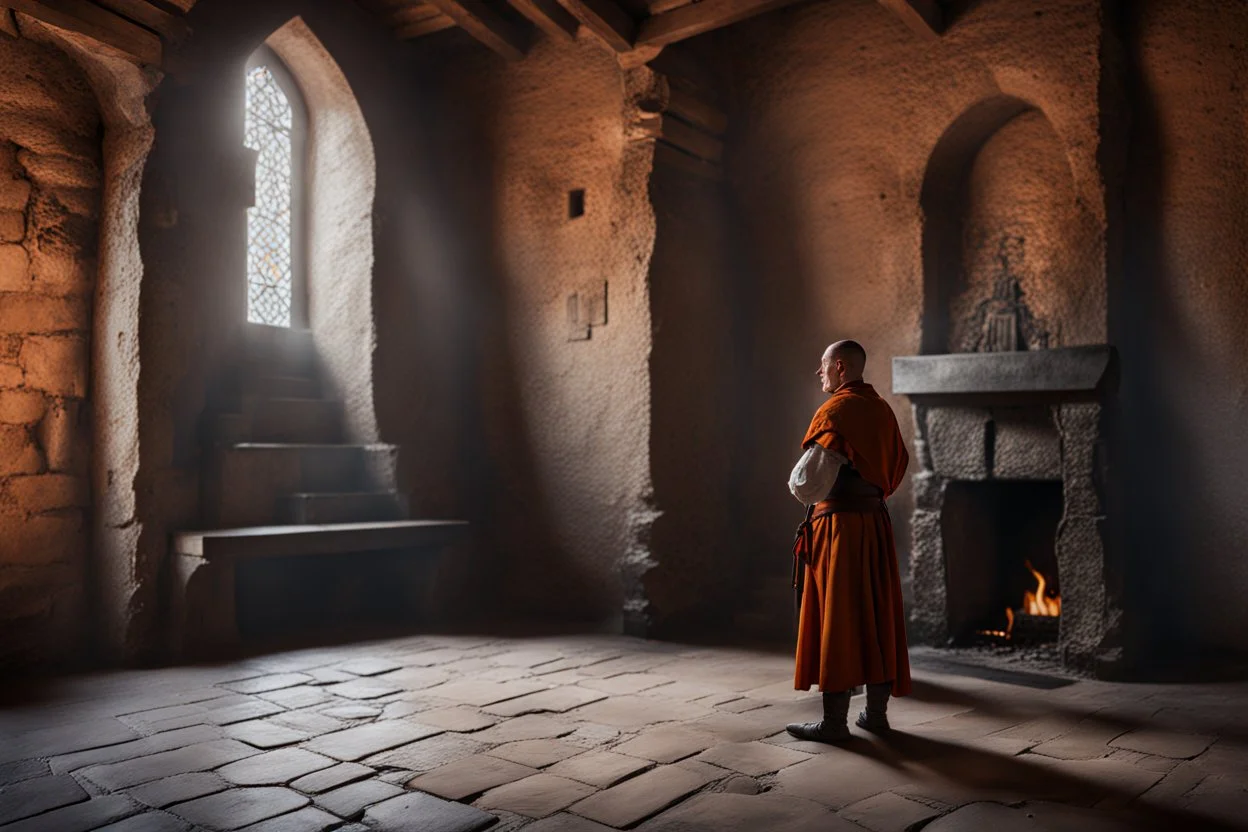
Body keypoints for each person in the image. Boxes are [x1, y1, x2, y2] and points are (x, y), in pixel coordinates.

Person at [785, 340, 911, 742]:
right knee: (876, 614)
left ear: (840, 367)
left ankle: (835, 723)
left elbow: (806, 484)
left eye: (822, 366)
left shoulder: (836, 411)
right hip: (874, 525)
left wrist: (796, 483)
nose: (818, 373)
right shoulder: (883, 411)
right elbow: (895, 469)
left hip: (839, 529)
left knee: (836, 616)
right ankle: (876, 716)